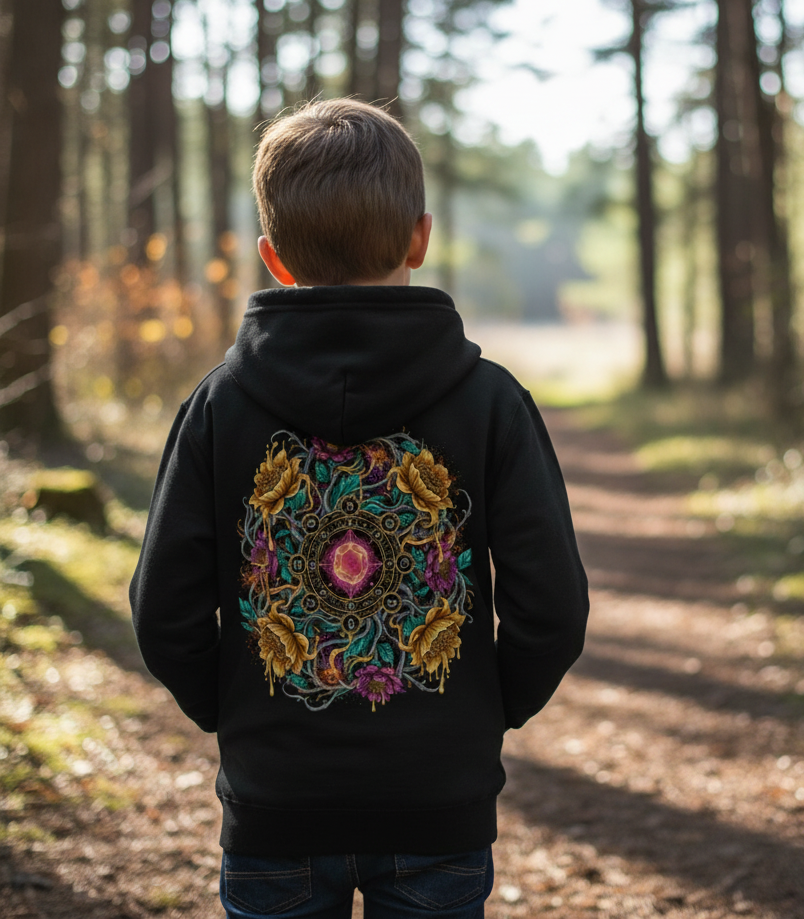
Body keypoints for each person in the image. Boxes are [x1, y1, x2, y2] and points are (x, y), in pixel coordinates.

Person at [129, 98, 589, 919]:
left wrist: (234, 707)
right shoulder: (491, 403)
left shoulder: (219, 407)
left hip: (274, 806)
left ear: (273, 257)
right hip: (438, 803)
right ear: (420, 236)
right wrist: (479, 710)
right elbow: (551, 605)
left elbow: (161, 608)